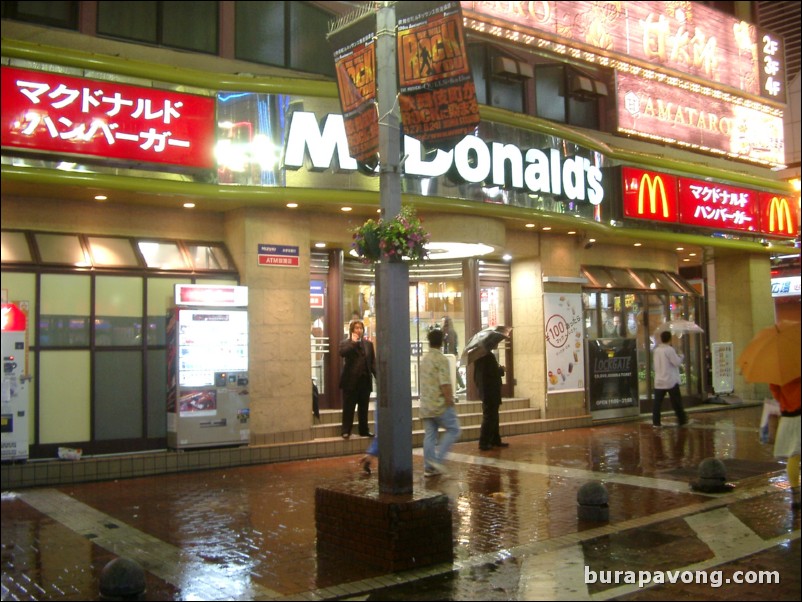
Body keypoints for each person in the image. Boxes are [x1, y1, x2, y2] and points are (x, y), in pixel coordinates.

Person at [419, 328, 461, 477]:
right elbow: (444, 383)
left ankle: (428, 467)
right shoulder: (441, 359)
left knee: (430, 435)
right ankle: (437, 460)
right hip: (439, 404)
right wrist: (450, 399)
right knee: (454, 429)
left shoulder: (424, 359)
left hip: (426, 405)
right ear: (442, 342)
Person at [339, 319, 376, 439]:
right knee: (349, 407)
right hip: (350, 382)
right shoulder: (346, 343)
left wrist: (378, 378)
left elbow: (372, 363)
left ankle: (364, 430)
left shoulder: (368, 345)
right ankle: (346, 430)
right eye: (356, 328)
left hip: (365, 381)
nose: (359, 330)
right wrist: (353, 343)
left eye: (361, 328)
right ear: (351, 330)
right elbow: (343, 353)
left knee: (363, 407)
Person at [769, 377, 801, 510]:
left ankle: (796, 494)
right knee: (795, 455)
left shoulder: (780, 371)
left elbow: (774, 389)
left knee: (793, 456)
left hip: (787, 416)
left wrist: (784, 401)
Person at [652, 330, 688, 427]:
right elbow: (676, 362)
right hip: (670, 380)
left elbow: (654, 366)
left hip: (659, 380)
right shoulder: (669, 350)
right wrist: (681, 356)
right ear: (669, 339)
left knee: (657, 404)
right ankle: (682, 420)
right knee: (676, 402)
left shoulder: (656, 350)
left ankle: (656, 422)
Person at [475, 350, 508, 450]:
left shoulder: (481, 356)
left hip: (488, 391)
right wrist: (501, 369)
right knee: (489, 416)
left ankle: (495, 439)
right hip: (490, 391)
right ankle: (484, 442)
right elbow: (492, 372)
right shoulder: (487, 357)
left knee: (494, 415)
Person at [442, 316, 466, 393]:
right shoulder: (446, 331)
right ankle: (460, 386)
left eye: (442, 321)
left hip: (450, 355)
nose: (441, 322)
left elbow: (451, 344)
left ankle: (461, 386)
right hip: (449, 355)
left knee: (453, 370)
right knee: (453, 370)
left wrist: (451, 354)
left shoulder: (450, 332)